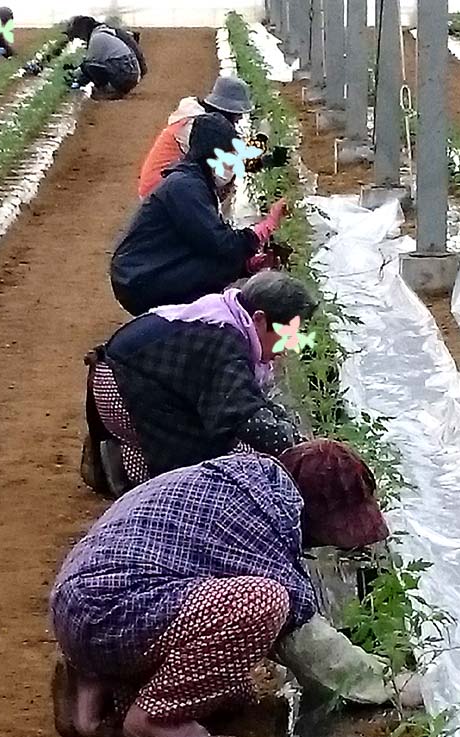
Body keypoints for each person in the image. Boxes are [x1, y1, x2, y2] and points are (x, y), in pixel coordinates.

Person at [51, 444, 415, 737]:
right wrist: (386, 685)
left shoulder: (249, 483)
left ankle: (94, 686)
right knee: (265, 603)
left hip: (81, 604)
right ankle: (158, 722)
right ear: (315, 509)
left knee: (231, 691)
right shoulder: (263, 520)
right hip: (113, 611)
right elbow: (303, 637)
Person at [81, 271, 316, 497]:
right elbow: (244, 417)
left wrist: (290, 432)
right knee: (203, 475)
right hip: (122, 391)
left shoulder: (226, 315)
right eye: (287, 335)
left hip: (121, 376)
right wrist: (297, 449)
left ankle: (122, 457)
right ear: (260, 319)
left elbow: (251, 399)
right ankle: (120, 468)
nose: (289, 346)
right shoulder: (226, 340)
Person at [111, 113, 287, 316]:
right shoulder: (185, 187)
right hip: (139, 280)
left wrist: (248, 263)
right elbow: (220, 243)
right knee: (221, 258)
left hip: (143, 271)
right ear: (213, 153)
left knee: (223, 257)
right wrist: (265, 228)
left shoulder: (195, 180)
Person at [138, 76, 253, 200]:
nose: (239, 119)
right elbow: (221, 177)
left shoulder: (194, 118)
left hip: (165, 186)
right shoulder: (195, 127)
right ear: (227, 111)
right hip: (159, 190)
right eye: (237, 114)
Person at [65, 15, 146, 100]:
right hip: (131, 72)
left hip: (125, 73)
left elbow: (87, 68)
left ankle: (108, 91)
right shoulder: (105, 33)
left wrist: (75, 83)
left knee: (88, 66)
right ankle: (115, 90)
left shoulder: (97, 39)